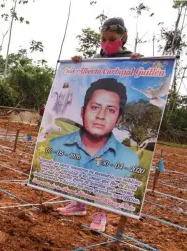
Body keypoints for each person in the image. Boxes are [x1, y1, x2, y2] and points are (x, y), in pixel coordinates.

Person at [56, 17, 143, 232]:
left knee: (102, 168)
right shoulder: (96, 60)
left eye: (111, 39)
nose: (106, 43)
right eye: (103, 39)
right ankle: (79, 203)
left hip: (106, 128)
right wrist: (79, 62)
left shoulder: (128, 59)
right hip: (91, 126)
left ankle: (100, 215)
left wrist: (140, 61)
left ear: (122, 38)